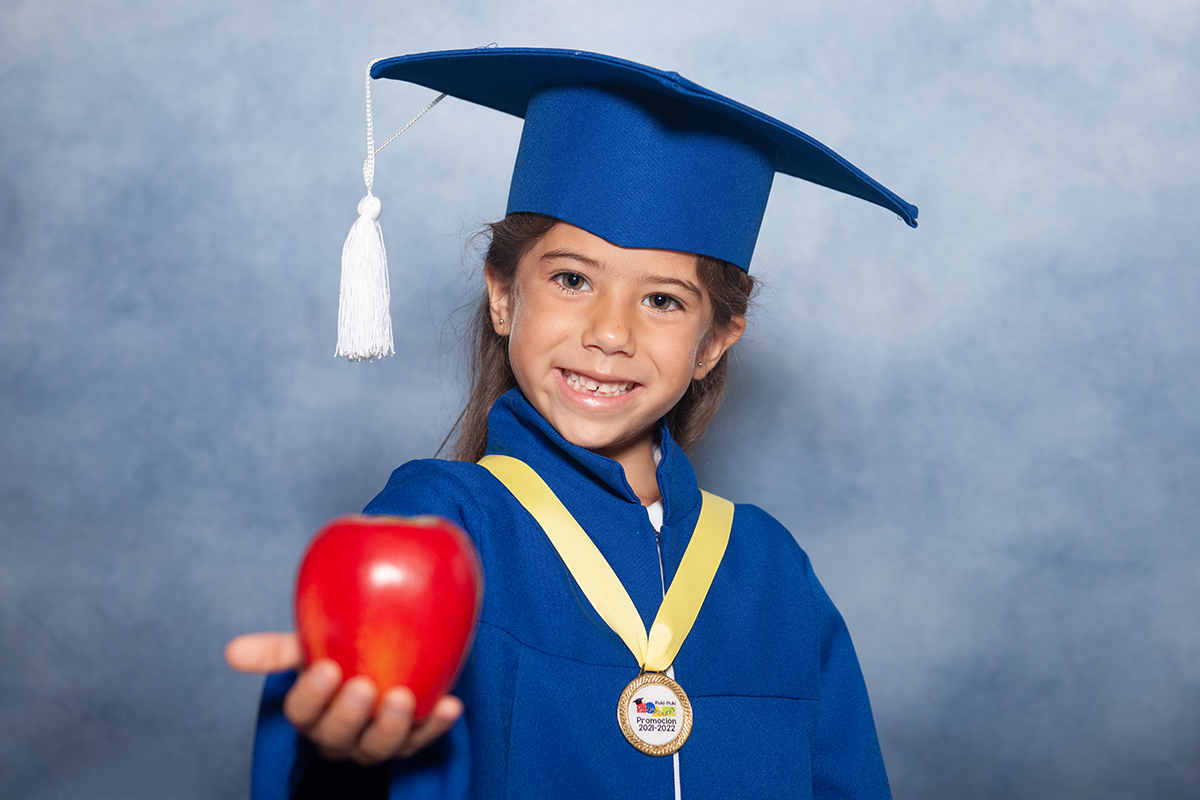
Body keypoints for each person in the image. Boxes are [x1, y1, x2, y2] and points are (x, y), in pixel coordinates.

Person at [226, 47, 917, 800]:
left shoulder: (773, 576)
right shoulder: (439, 529)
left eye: (663, 301)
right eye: (570, 279)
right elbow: (354, 727)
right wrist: (341, 758)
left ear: (714, 342)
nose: (610, 333)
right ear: (501, 296)